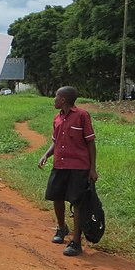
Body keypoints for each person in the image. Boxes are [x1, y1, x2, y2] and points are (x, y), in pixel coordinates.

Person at [37, 86, 98, 257]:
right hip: (60, 165)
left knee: (77, 201)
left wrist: (92, 168)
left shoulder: (82, 116)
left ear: (63, 99)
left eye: (56, 96)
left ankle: (76, 241)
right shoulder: (57, 118)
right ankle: (61, 227)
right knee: (56, 196)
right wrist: (46, 155)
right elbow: (55, 142)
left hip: (79, 166)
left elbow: (91, 143)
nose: (54, 99)